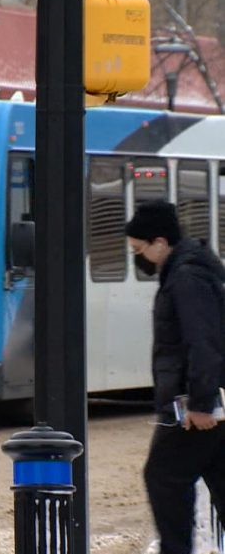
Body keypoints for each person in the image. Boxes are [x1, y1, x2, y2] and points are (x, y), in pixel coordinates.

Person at [126, 200, 225, 554]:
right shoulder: (193, 270)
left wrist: (200, 402)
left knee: (163, 477)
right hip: (204, 403)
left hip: (193, 409)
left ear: (160, 242)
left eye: (139, 249)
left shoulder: (186, 277)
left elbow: (203, 342)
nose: (139, 257)